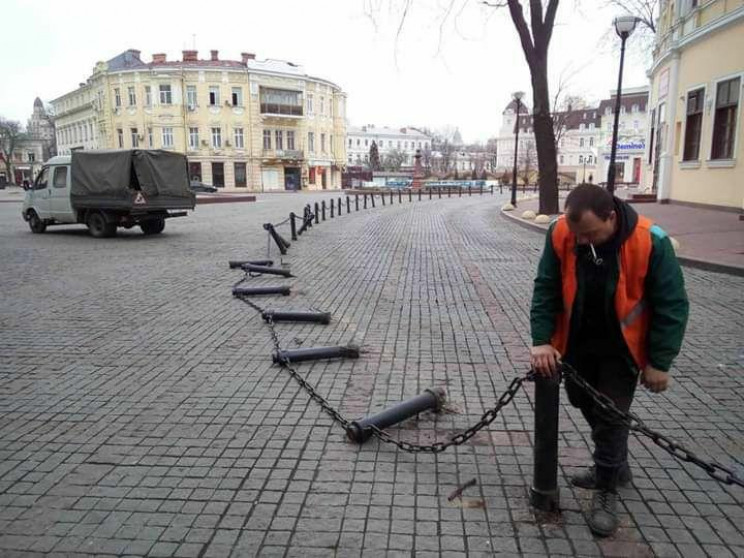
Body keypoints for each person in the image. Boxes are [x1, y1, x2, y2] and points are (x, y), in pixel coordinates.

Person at [529, 184, 689, 537]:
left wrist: (660, 361)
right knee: (582, 399)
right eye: (578, 235)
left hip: (622, 349)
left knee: (610, 413)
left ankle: (605, 491)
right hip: (577, 343)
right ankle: (616, 464)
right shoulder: (561, 233)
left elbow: (672, 304)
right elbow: (546, 285)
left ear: (611, 218)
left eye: (590, 233)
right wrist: (542, 340)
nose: (583, 241)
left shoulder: (651, 241)